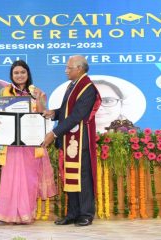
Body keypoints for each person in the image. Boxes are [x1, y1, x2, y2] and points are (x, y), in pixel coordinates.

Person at [0, 60, 57, 224]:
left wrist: (39, 101)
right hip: (11, 144)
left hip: (30, 143)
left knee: (29, 180)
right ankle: (8, 214)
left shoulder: (37, 92)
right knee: (11, 179)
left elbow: (44, 114)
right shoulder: (4, 93)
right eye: (16, 73)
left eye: (23, 72)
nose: (20, 75)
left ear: (28, 74)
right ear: (11, 75)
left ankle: (25, 214)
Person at [42, 55, 101, 227]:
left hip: (80, 140)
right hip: (70, 139)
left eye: (69, 68)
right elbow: (67, 111)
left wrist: (53, 133)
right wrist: (54, 113)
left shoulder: (88, 88)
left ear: (80, 68)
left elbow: (77, 116)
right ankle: (73, 213)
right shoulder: (73, 85)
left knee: (82, 177)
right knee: (70, 177)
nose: (66, 70)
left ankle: (86, 213)